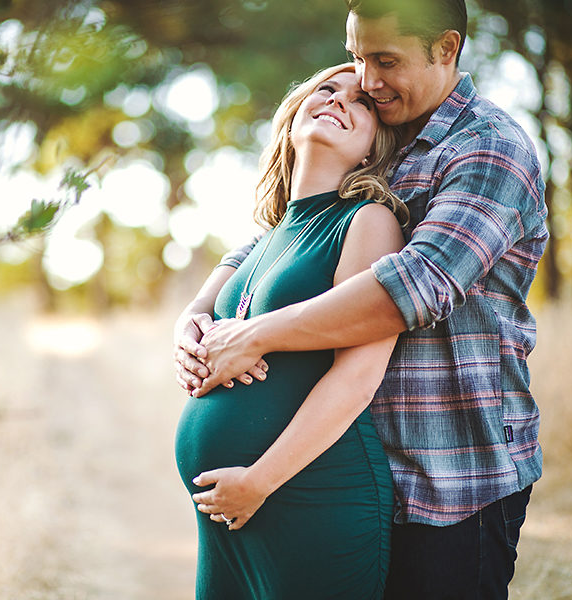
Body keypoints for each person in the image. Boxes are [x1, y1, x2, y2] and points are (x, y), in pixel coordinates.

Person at [174, 0, 548, 598]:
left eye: (385, 60)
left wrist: (256, 333)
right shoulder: (388, 133)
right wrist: (193, 319)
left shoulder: (487, 148)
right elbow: (280, 238)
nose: (367, 83)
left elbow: (413, 288)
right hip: (350, 468)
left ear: (446, 49)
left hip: (449, 474)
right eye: (355, 57)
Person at [174, 62, 408, 599]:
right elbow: (200, 313)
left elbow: (358, 378)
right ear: (294, 115)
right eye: (326, 89)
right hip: (227, 511)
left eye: (362, 102)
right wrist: (186, 338)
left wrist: (259, 481)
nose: (339, 100)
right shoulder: (267, 236)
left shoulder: (367, 221)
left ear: (375, 148)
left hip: (311, 494)